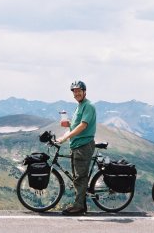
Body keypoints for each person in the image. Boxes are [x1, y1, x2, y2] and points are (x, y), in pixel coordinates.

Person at [57, 80, 96, 215]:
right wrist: (67, 124)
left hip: (83, 145)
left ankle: (78, 207)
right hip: (76, 145)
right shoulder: (79, 106)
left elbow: (83, 126)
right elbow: (75, 125)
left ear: (84, 91)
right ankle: (81, 205)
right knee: (78, 177)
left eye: (79, 90)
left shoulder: (88, 106)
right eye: (74, 91)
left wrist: (66, 137)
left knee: (80, 177)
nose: (76, 93)